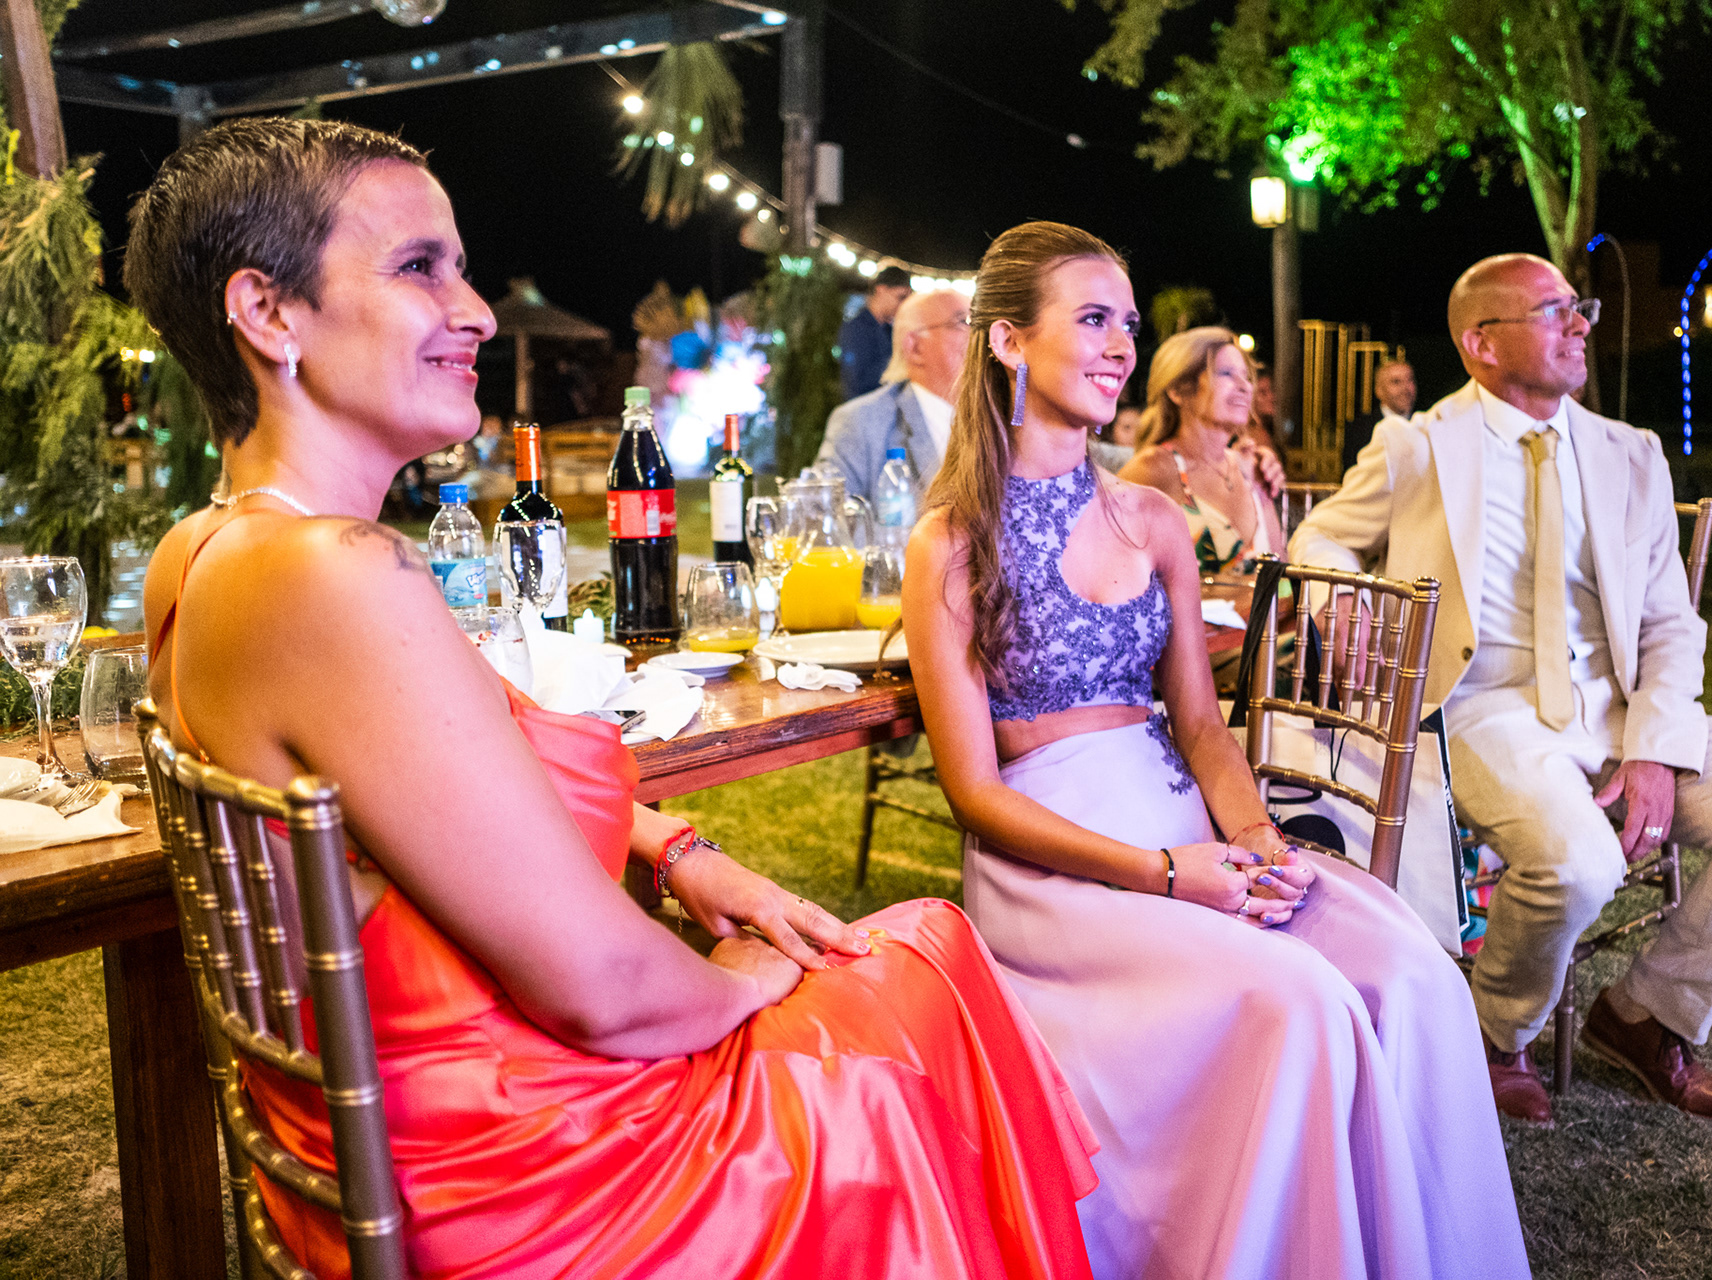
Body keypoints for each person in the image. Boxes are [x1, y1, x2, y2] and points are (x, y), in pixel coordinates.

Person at [125, 118, 1098, 1280]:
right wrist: (735, 975)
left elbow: (456, 770)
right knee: (923, 957)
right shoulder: (333, 575)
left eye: (461, 269)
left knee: (910, 964)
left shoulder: (207, 550)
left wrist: (680, 850)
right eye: (420, 267)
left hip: (407, 1146)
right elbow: (611, 994)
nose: (477, 312)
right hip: (535, 1175)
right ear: (267, 312)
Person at [904, 220, 1529, 1280]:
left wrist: (1257, 839)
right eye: (1091, 319)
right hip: (1053, 862)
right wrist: (1167, 873)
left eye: (1127, 323)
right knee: (1301, 1004)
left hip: (1191, 820)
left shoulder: (1153, 521)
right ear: (1008, 340)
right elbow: (972, 792)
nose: (1120, 346)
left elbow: (1199, 723)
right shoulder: (950, 542)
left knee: (1415, 975)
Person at [1291, 252, 1712, 1127]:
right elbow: (1320, 538)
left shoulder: (1632, 453)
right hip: (1486, 710)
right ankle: (1495, 1033)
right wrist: (1345, 601)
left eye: (1578, 307)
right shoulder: (1418, 445)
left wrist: (1654, 749)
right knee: (1580, 864)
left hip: (1623, 711)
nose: (1582, 323)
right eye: (1555, 311)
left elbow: (1669, 623)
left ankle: (1645, 1015)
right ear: (1481, 343)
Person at [1119, 326, 1289, 577]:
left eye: (1245, 376)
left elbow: (1281, 579)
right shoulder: (1154, 468)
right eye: (1226, 373)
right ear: (1178, 390)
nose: (1244, 386)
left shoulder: (1252, 469)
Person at [813, 285, 968, 502]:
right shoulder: (861, 424)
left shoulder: (999, 418)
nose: (982, 336)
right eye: (964, 322)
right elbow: (823, 513)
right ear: (915, 347)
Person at [838, 265, 912, 399]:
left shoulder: (890, 331)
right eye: (900, 297)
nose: (903, 305)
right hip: (863, 408)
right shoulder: (856, 328)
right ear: (881, 290)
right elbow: (858, 382)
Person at [1342, 359, 1418, 474]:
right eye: (1396, 382)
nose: (1405, 388)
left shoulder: (1424, 425)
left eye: (1410, 380)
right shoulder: (1359, 429)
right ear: (1379, 391)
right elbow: (1353, 474)